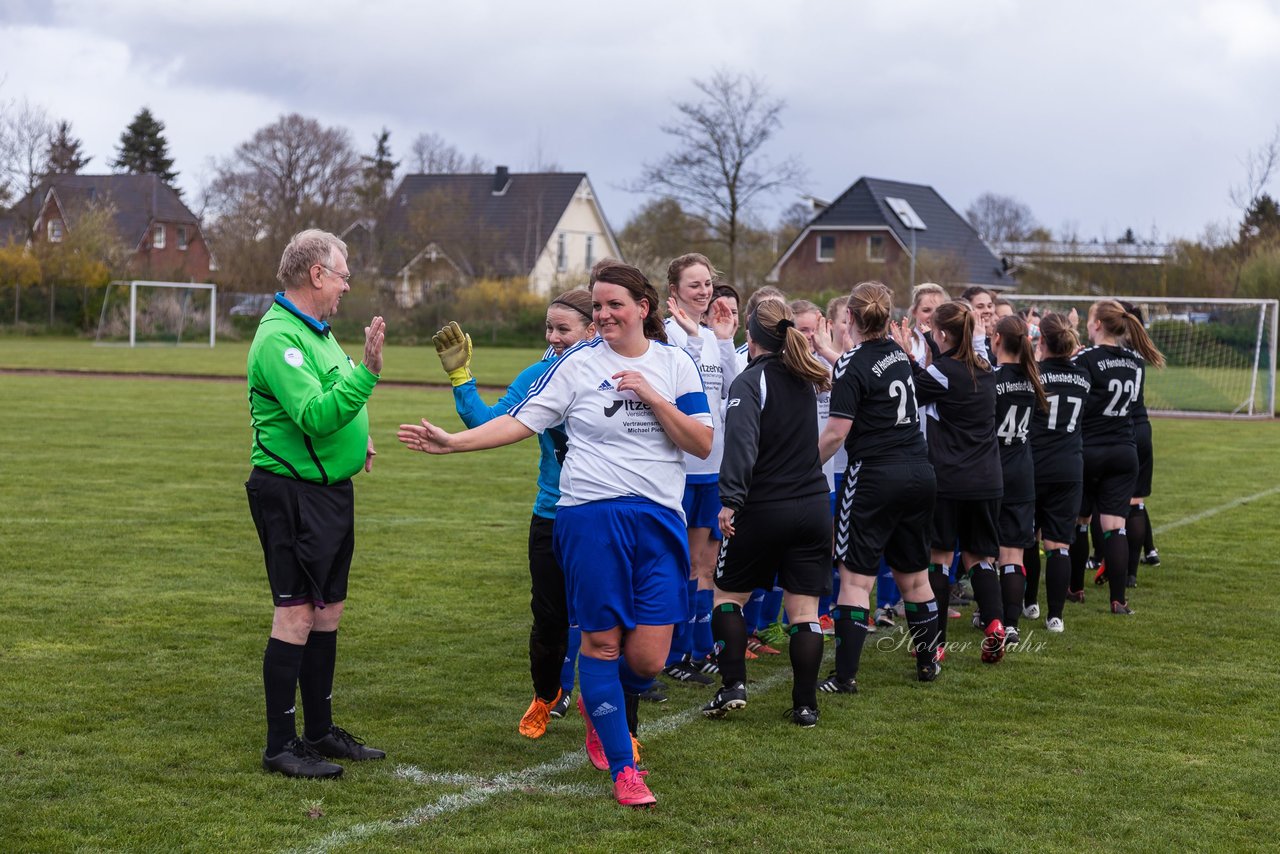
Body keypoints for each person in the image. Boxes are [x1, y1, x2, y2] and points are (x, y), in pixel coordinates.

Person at [398, 259, 713, 808]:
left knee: (647, 660)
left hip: (660, 520)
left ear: (643, 308)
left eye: (616, 303)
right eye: (598, 305)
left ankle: (601, 699)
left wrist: (653, 397)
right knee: (601, 642)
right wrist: (454, 443)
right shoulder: (573, 366)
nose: (606, 313)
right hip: (589, 517)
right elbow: (518, 420)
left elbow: (702, 443)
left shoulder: (675, 364)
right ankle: (624, 768)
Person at [245, 229, 386, 779]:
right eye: (343, 272)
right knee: (297, 614)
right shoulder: (279, 338)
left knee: (327, 612)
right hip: (290, 493)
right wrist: (368, 374)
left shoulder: (319, 333)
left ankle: (320, 731)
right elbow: (315, 415)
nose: (348, 284)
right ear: (316, 274)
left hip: (329, 492)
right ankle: (281, 744)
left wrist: (361, 439)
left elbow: (335, 404)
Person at [430, 289, 602, 739]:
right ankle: (547, 696)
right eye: (550, 328)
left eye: (563, 329)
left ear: (593, 328)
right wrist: (460, 375)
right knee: (548, 619)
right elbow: (488, 422)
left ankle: (609, 712)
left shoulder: (616, 373)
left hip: (606, 513)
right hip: (552, 513)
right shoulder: (540, 375)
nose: (554, 337)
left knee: (607, 618)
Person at [702, 298, 833, 726]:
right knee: (804, 612)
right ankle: (806, 705)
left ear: (750, 336)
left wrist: (730, 500)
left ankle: (732, 685)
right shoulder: (805, 375)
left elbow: (741, 446)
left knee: (727, 597)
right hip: (813, 505)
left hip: (763, 507)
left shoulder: (750, 380)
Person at [819, 281, 942, 690]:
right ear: (889, 320)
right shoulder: (899, 354)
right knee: (915, 577)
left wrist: (800, 467)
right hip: (919, 470)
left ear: (849, 318)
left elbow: (837, 432)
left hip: (875, 473)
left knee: (855, 581)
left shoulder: (851, 362)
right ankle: (928, 663)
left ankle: (845, 676)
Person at [894, 300, 1006, 664]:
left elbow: (912, 389)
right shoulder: (986, 368)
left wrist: (904, 354)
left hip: (949, 480)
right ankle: (994, 625)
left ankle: (935, 642)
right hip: (988, 479)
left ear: (943, 334)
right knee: (979, 557)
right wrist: (927, 342)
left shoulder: (943, 372)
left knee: (939, 559)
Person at [662, 253, 739, 684]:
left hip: (715, 467)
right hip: (680, 469)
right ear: (674, 291)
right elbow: (674, 389)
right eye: (694, 285)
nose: (704, 291)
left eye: (707, 283)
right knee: (684, 565)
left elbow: (733, 392)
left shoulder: (713, 335)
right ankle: (672, 654)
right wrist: (692, 338)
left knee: (707, 566)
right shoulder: (666, 335)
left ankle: (697, 649)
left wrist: (724, 341)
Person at [1071, 299, 1165, 615]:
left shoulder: (1085, 358)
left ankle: (1075, 588)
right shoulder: (1133, 359)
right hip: (1124, 449)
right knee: (1116, 526)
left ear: (1097, 324)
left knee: (1081, 522)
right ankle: (1119, 600)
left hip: (1090, 447)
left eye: (1089, 318)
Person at [1027, 312, 1090, 632]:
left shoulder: (1034, 374)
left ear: (1042, 342)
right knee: (1058, 544)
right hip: (1069, 465)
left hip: (1035, 463)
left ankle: (1030, 603)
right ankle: (1056, 616)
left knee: (1028, 537)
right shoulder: (1084, 378)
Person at [990, 315, 1048, 646]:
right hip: (1023, 472)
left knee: (986, 553)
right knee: (1013, 555)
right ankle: (1011, 624)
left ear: (997, 339)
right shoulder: (1032, 378)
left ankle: (992, 617)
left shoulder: (991, 378)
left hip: (993, 471)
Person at [960, 286, 996, 363]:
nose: (987, 311)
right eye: (980, 307)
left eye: (989, 306)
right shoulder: (961, 342)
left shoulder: (993, 341)